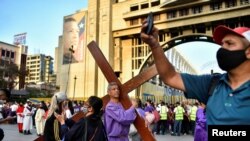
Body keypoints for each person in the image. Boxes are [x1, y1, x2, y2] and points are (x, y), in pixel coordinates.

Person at [141, 22, 250, 125]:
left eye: (230, 44)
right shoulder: (212, 83)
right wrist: (155, 45)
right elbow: (171, 77)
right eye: (222, 44)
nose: (222, 48)